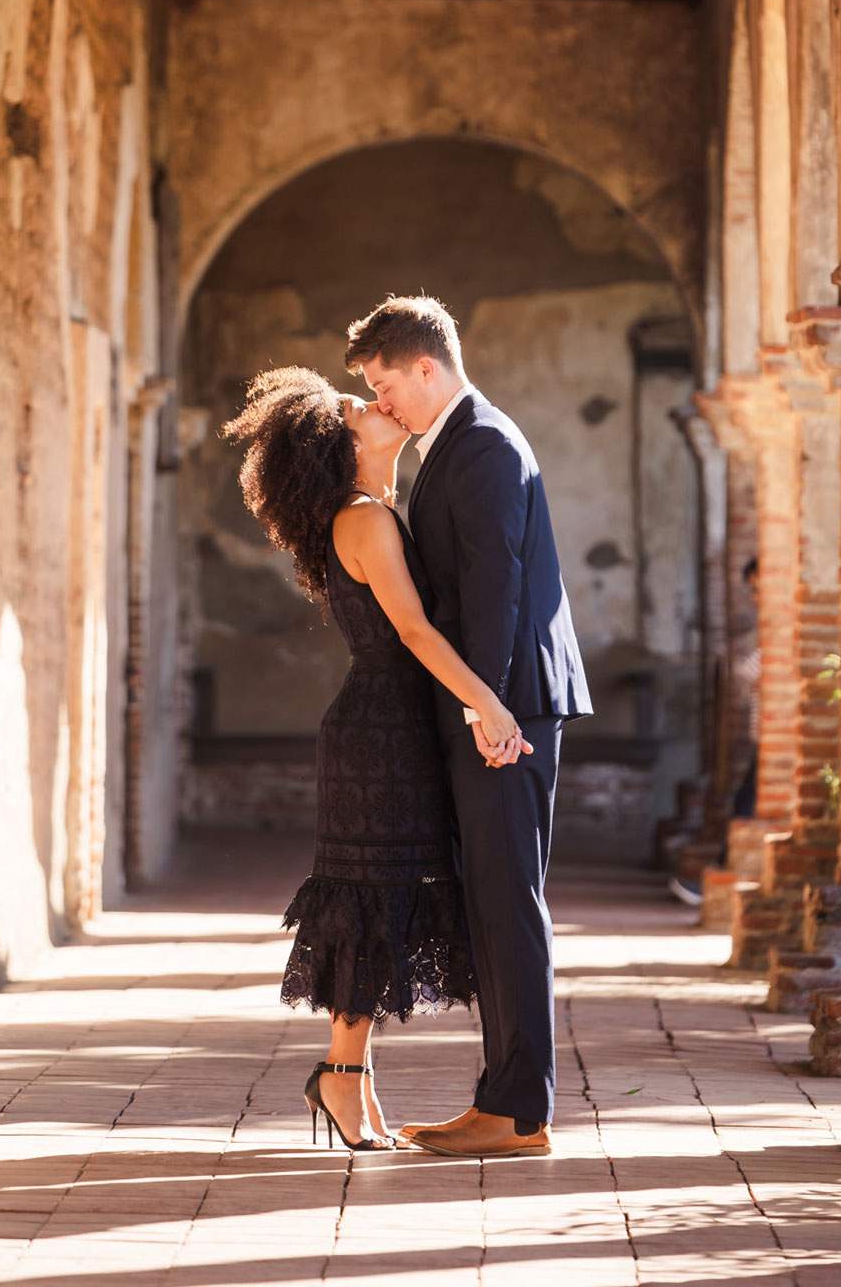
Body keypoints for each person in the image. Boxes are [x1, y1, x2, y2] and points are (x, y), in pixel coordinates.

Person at [222, 365, 525, 1153]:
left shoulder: (379, 510)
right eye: (363, 406)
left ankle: (349, 1080)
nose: (380, 403)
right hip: (377, 734)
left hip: (392, 727)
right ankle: (341, 1076)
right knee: (368, 901)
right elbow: (417, 632)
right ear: (346, 444)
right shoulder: (365, 519)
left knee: (381, 901)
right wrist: (488, 703)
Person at [346, 295, 591, 1159]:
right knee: (491, 903)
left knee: (508, 902)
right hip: (494, 704)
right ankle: (501, 1100)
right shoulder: (453, 441)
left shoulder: (480, 443)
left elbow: (493, 586)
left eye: (386, 385)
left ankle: (520, 1111)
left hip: (507, 708)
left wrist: (484, 706)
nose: (383, 405)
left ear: (426, 366)